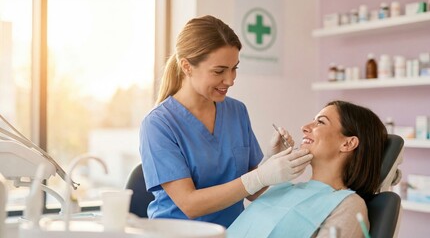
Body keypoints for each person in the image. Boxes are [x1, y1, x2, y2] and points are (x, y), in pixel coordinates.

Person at [139, 15, 313, 228]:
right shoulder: (159, 124)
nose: (230, 80)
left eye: (234, 68)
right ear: (186, 66)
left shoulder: (236, 111)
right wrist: (260, 175)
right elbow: (190, 204)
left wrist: (271, 160)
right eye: (219, 71)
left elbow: (252, 192)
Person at [227, 100, 387, 237]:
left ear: (347, 143)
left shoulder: (350, 206)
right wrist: (270, 159)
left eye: (321, 122)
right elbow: (252, 193)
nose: (304, 127)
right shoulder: (284, 188)